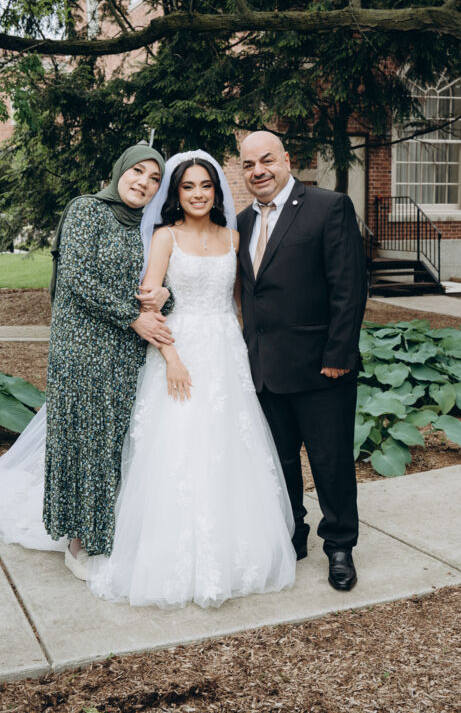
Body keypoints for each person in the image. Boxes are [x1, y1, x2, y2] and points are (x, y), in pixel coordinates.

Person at [87, 150, 296, 608]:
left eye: (205, 186)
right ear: (176, 194)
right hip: (178, 351)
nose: (198, 194)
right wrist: (172, 358)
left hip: (225, 353)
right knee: (180, 447)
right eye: (188, 187)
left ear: (216, 191)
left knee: (227, 445)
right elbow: (149, 304)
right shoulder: (165, 237)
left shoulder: (234, 238)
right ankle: (172, 559)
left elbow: (240, 303)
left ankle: (234, 554)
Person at [0, 144, 174, 580]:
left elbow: (153, 287)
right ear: (120, 170)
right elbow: (77, 278)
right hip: (81, 347)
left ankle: (106, 528)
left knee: (113, 442)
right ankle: (79, 539)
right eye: (137, 171)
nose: (144, 182)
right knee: (85, 440)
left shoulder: (146, 228)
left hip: (125, 351)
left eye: (154, 178)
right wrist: (134, 317)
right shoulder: (88, 210)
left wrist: (163, 296)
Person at [237, 131, 367, 591]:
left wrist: (339, 354)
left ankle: (340, 545)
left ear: (286, 159)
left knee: (331, 462)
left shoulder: (328, 207)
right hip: (264, 370)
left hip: (321, 368)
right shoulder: (242, 223)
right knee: (280, 463)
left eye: (267, 160)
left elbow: (349, 286)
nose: (258, 171)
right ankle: (292, 534)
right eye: (249, 164)